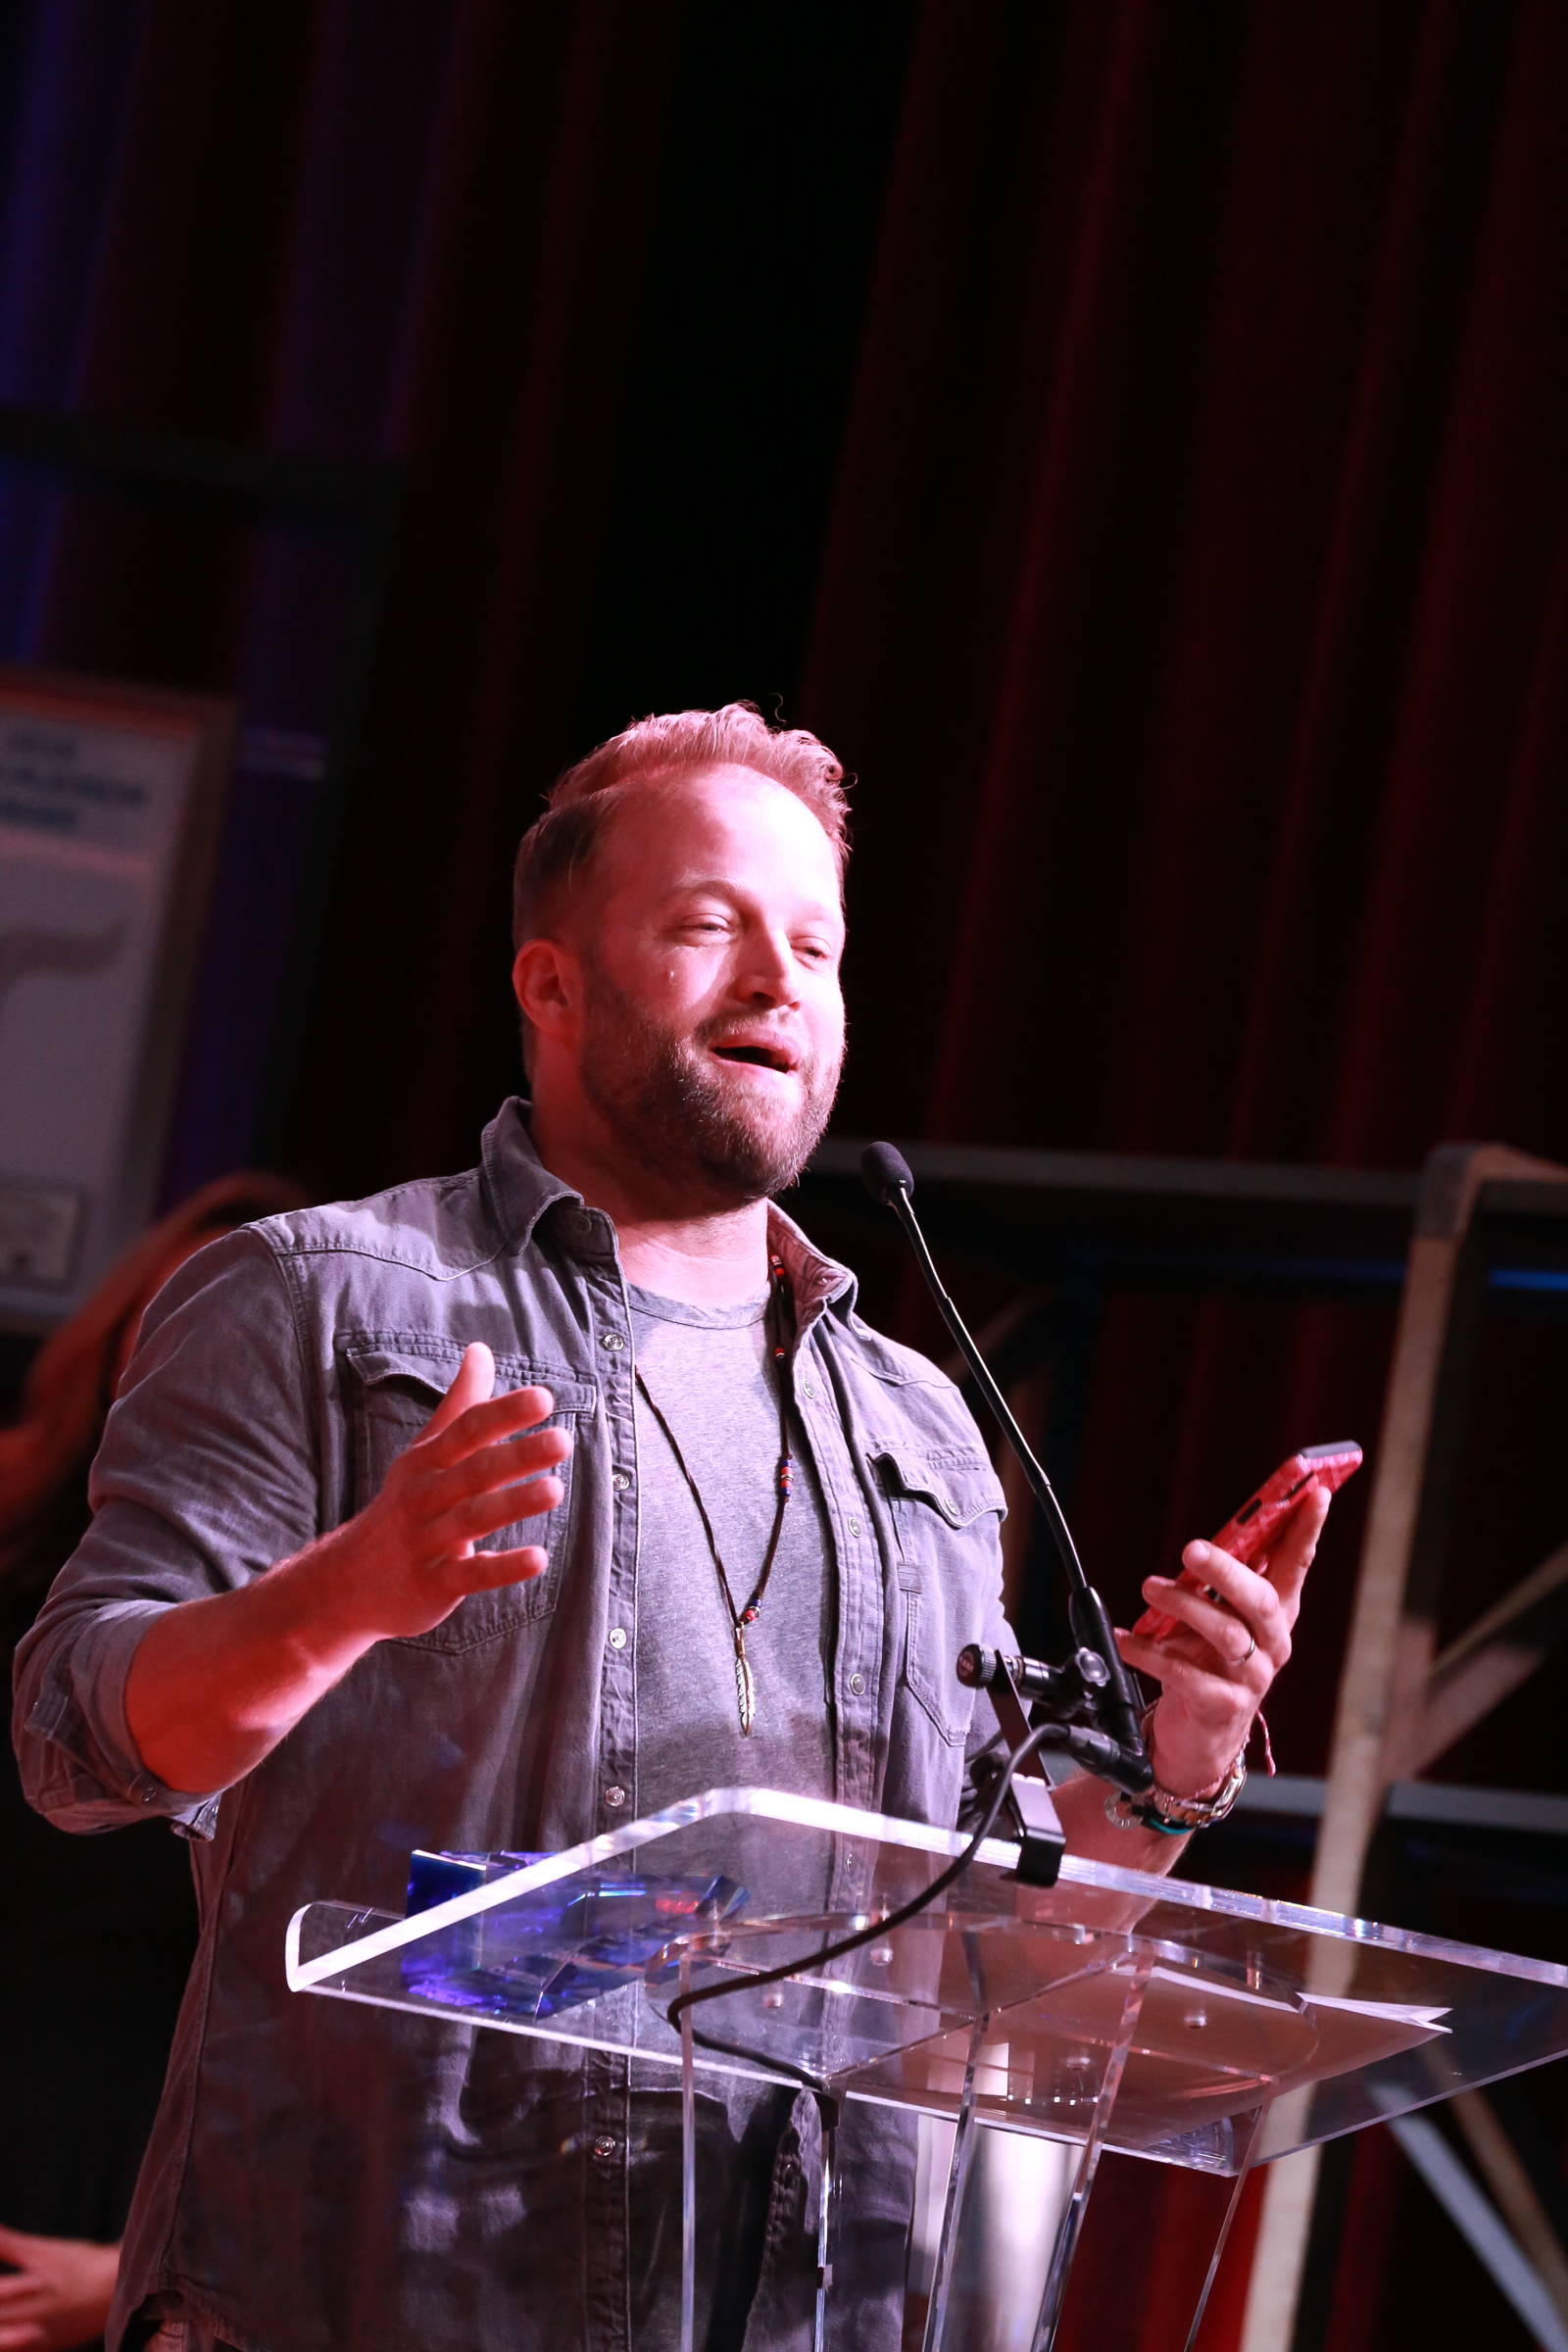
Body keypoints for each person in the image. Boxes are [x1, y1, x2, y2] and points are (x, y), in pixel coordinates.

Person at [13, 705, 1328, 2351]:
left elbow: (973, 1944)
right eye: (710, 927)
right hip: (377, 2298)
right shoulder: (319, 1302)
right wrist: (347, 1593)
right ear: (551, 986)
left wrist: (1175, 1761)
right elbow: (80, 1737)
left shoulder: (915, 1424)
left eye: (816, 947)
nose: (780, 981)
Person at [0, 1175, 305, 2352]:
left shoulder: (332, 1652)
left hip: (137, 2190)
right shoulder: (19, 1552)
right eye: (183, 1319)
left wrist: (138, 2263)